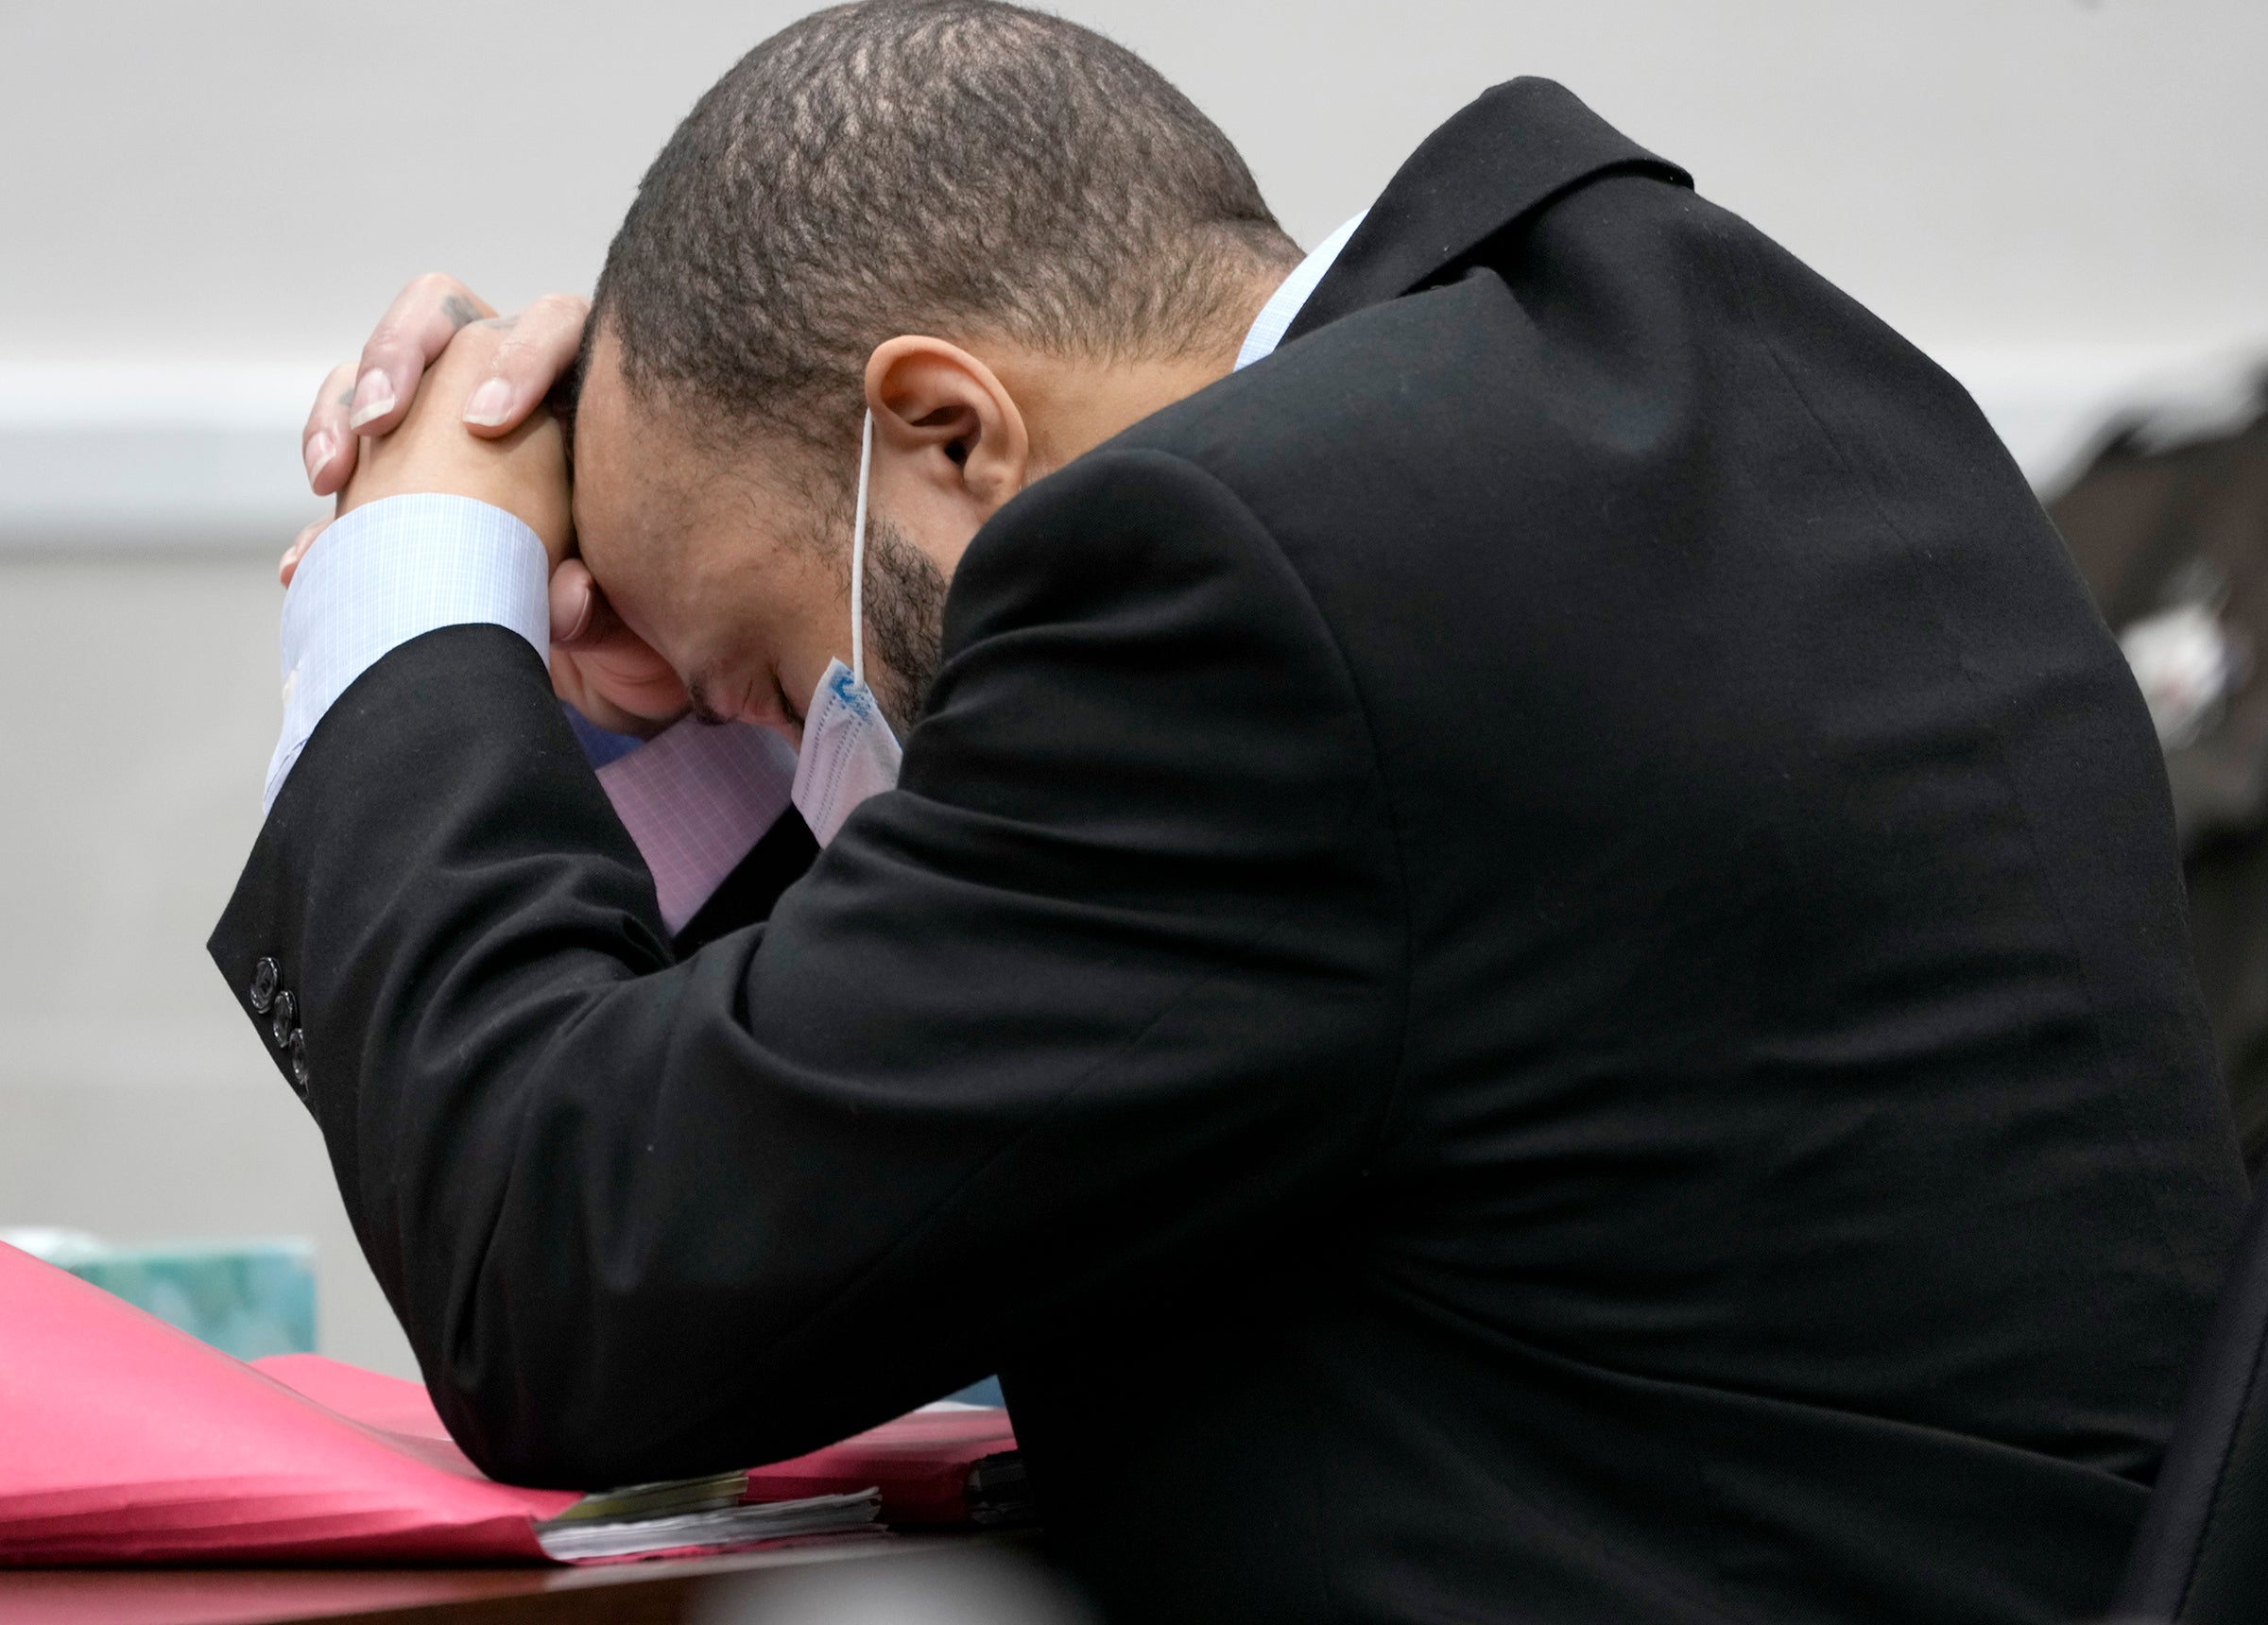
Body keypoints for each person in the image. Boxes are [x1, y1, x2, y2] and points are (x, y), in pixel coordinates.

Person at [212, 4, 2247, 1620]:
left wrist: (419, 599)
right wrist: (675, 712)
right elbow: (923, 1103)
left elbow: (576, 1289)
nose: (783, 723)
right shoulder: (1674, 382)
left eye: (763, 671)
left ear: (945, 428)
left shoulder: (1239, 577)